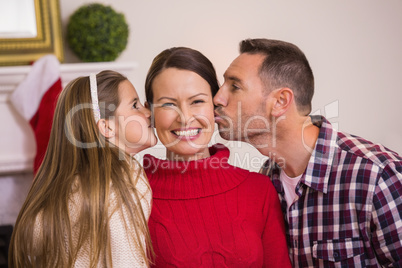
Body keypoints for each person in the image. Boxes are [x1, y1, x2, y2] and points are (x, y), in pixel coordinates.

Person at [213, 38, 402, 267]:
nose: (217, 98)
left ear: (281, 101)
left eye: (234, 86)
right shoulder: (265, 181)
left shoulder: (378, 176)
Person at [142, 47, 292, 267]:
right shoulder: (131, 194)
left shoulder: (259, 189)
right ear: (150, 113)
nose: (185, 118)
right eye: (168, 104)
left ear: (215, 105)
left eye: (197, 101)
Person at [9, 70, 157, 267]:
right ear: (107, 127)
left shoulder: (70, 186)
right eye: (135, 105)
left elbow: (30, 241)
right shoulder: (126, 178)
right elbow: (128, 261)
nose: (148, 112)